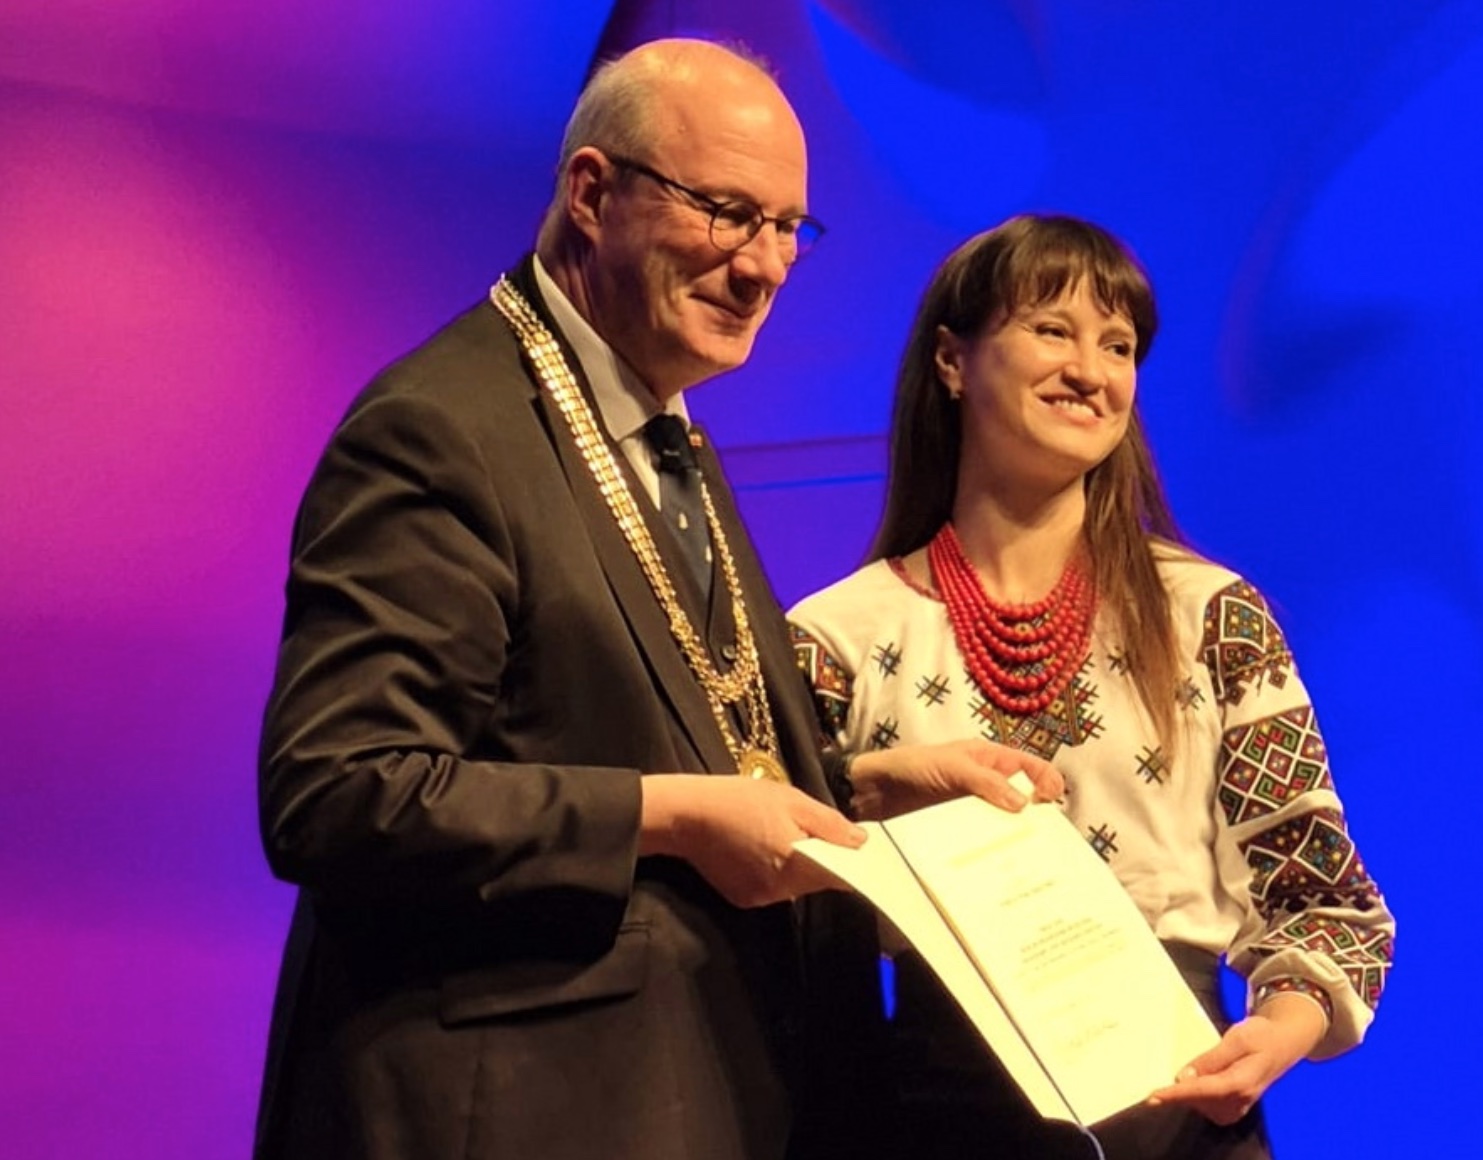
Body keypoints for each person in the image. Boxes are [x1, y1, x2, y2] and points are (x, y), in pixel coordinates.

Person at [254, 39, 1058, 1160]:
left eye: (788, 228)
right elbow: (340, 793)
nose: (765, 266)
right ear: (592, 194)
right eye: (728, 214)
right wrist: (668, 815)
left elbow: (660, 740)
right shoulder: (439, 430)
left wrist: (872, 790)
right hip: (522, 1116)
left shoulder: (662, 426)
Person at [788, 214, 1397, 1159]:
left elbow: (1326, 902)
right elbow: (771, 869)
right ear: (952, 360)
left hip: (1181, 1115)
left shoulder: (1209, 616)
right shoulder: (838, 637)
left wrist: (1275, 1035)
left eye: (1118, 346)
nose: (1090, 371)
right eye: (1052, 330)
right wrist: (869, 788)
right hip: (935, 1119)